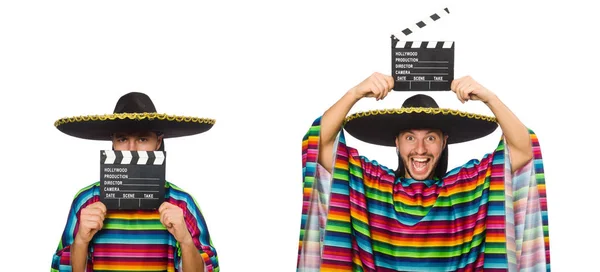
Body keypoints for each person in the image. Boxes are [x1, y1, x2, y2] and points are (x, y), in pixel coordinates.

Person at [296, 73, 551, 271]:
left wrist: (490, 98)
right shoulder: (372, 185)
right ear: (397, 142)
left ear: (444, 142)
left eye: (430, 138)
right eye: (410, 137)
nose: (419, 149)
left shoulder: (467, 188)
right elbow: (319, 143)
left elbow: (523, 150)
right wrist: (355, 93)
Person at [50, 92, 219, 272]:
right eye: (122, 139)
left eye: (143, 139)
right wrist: (81, 241)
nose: (131, 149)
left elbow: (210, 268)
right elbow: (60, 268)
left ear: (158, 142)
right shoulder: (87, 200)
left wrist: (185, 240)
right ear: (113, 143)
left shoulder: (182, 203)